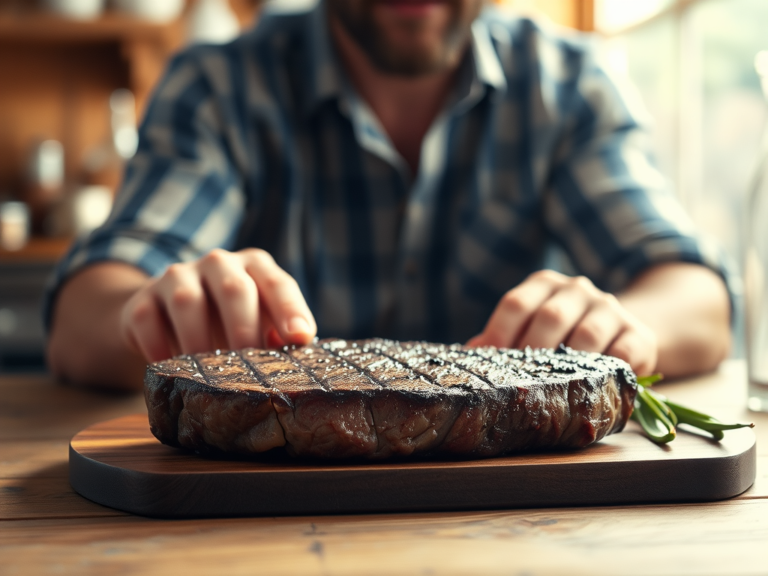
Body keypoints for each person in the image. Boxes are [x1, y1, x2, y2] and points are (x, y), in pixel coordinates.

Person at [46, 0, 733, 391]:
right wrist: (154, 312)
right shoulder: (222, 86)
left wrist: (628, 329)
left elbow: (697, 301)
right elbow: (79, 321)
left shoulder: (567, 84)